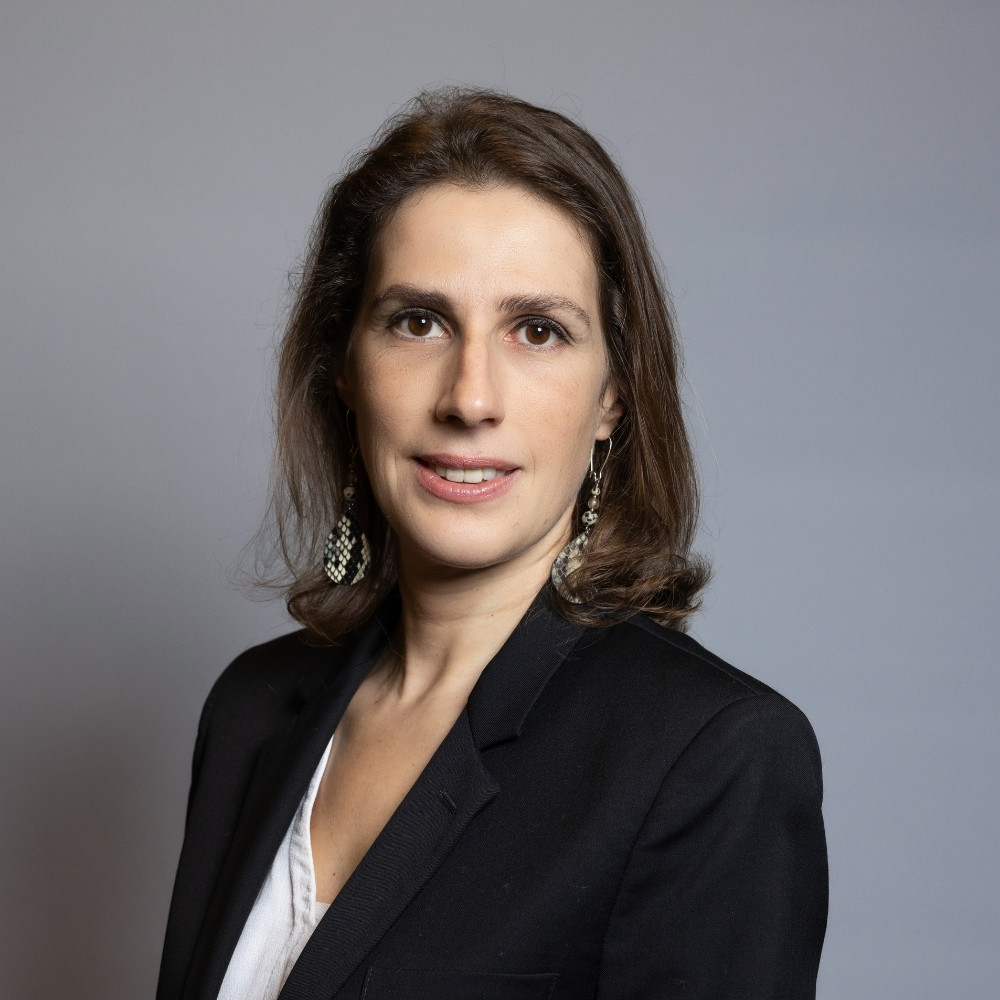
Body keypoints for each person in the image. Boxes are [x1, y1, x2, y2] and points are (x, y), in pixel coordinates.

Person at [156, 89, 827, 1000]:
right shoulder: (251, 709)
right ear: (345, 368)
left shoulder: (711, 758)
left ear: (612, 398)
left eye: (538, 330)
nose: (470, 398)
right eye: (418, 321)